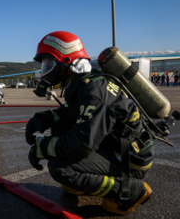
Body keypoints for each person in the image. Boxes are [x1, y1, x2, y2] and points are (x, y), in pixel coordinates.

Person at [25, 31, 153, 215]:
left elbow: (80, 145)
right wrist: (44, 118)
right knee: (60, 127)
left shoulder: (95, 92)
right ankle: (86, 183)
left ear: (66, 63)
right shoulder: (83, 84)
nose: (46, 72)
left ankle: (129, 191)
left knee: (61, 168)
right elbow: (72, 113)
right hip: (115, 147)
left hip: (129, 160)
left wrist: (41, 148)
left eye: (49, 64)